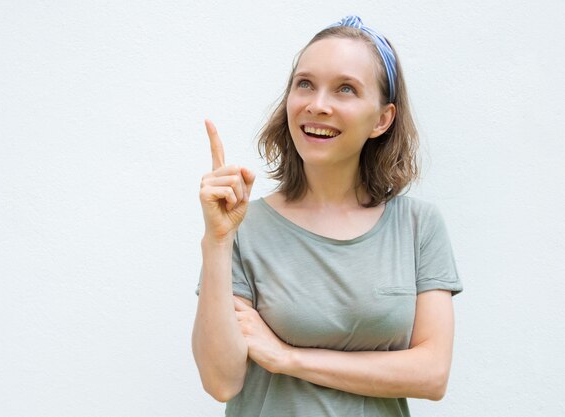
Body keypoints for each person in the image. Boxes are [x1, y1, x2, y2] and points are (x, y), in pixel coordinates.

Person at [192, 15, 463, 417]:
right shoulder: (242, 227)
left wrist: (288, 357)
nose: (317, 105)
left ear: (382, 119)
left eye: (346, 89)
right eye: (305, 84)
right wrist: (216, 242)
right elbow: (221, 381)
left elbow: (431, 374)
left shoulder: (417, 227)